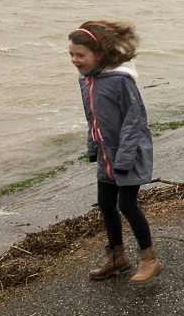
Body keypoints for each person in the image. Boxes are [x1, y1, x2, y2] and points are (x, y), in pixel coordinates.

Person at [68, 20, 162, 286]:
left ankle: (149, 260)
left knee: (126, 204)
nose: (74, 60)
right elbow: (92, 119)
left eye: (80, 55)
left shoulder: (121, 80)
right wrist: (92, 147)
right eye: (71, 54)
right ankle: (117, 257)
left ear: (98, 54)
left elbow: (135, 120)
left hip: (129, 152)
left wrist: (123, 159)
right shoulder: (85, 81)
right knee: (106, 204)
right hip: (106, 154)